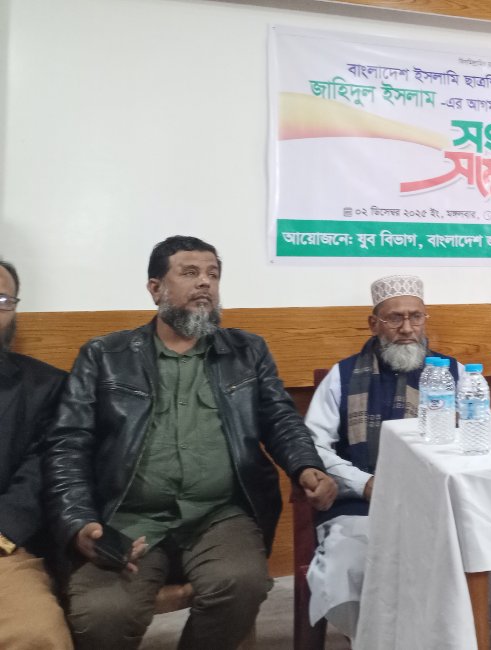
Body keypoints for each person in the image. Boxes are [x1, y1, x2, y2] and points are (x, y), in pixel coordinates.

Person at [44, 235, 337, 650]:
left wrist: (305, 465)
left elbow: (280, 418)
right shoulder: (104, 355)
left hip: (218, 514)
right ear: (155, 288)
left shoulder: (247, 351)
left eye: (212, 275)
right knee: (102, 614)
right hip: (126, 516)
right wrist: (78, 522)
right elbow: (67, 445)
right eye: (190, 273)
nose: (205, 283)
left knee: (243, 583)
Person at [303, 274, 491, 642]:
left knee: (480, 545)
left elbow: (479, 438)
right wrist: (364, 483)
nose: (407, 329)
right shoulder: (343, 376)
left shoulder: (454, 373)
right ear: (374, 324)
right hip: (363, 505)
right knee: (349, 564)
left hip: (439, 505)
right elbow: (313, 445)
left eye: (416, 317)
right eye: (394, 318)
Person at [0, 259, 74, 650]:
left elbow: (42, 470)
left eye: (2, 300)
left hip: (2, 548)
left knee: (37, 634)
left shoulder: (46, 387)